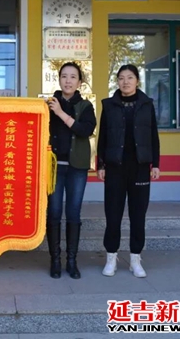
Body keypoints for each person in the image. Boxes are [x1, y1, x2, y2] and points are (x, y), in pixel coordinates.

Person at [97, 64, 161, 278]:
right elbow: (103, 137)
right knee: (112, 215)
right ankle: (111, 258)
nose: (125, 82)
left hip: (140, 167)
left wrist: (156, 164)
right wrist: (101, 165)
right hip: (114, 168)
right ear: (117, 81)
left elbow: (153, 137)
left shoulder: (147, 105)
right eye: (121, 78)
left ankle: (135, 259)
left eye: (130, 77)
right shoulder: (108, 105)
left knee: (138, 215)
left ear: (137, 81)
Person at [46, 62, 96, 279]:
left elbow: (86, 130)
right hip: (54, 168)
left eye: (73, 77)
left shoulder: (86, 106)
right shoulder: (48, 104)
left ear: (79, 82)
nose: (68, 81)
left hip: (77, 168)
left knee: (73, 213)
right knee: (54, 212)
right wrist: (54, 110)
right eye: (64, 76)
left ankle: (72, 261)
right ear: (59, 80)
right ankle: (55, 260)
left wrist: (61, 113)